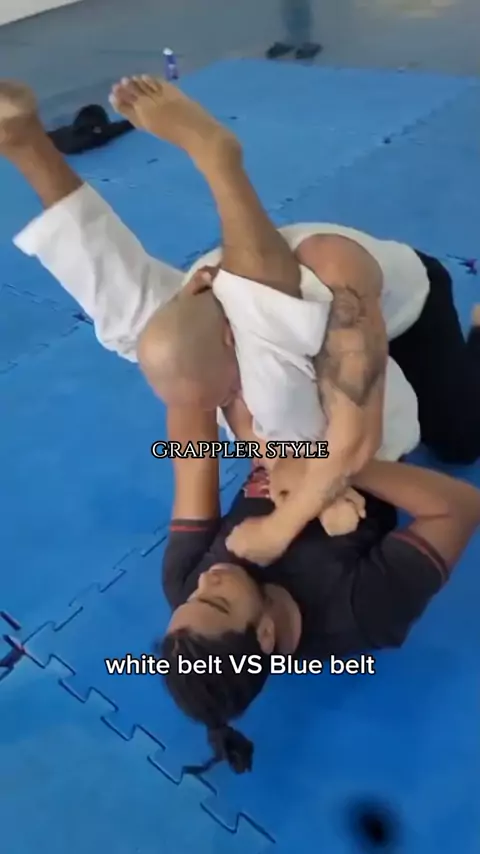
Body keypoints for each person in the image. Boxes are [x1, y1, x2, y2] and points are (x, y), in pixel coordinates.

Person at [2, 76, 480, 552]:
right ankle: (24, 142)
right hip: (260, 314)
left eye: (230, 394)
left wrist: (282, 524)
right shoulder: (185, 312)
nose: (235, 406)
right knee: (128, 316)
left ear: (232, 335)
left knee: (459, 444)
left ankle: (217, 157)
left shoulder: (331, 274)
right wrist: (284, 462)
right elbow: (102, 267)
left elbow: (354, 441)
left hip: (405, 312)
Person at [158, 403, 480, 774]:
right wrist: (326, 467)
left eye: (191, 598)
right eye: (217, 601)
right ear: (265, 633)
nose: (206, 579)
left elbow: (193, 456)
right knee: (463, 437)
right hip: (375, 422)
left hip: (278, 416)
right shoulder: (360, 610)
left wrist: (195, 390)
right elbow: (461, 507)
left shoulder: (183, 584)